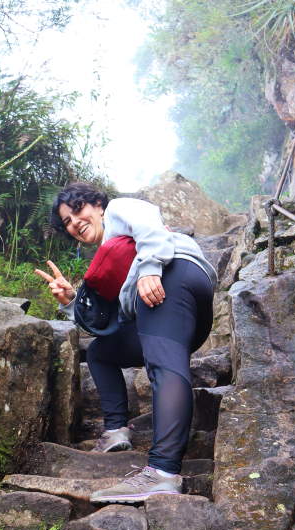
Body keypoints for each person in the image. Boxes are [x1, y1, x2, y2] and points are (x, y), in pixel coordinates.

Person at [34, 181, 216, 503]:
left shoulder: (118, 209)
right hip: (181, 311)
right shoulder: (114, 254)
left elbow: (149, 222)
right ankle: (116, 430)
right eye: (67, 222)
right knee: (100, 353)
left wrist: (150, 269)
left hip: (173, 275)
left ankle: (163, 472)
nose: (74, 223)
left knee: (163, 368)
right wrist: (71, 301)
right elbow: (109, 323)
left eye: (77, 210)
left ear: (98, 205)